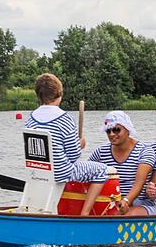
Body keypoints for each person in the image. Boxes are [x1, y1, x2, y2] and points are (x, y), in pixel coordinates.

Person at [25, 73, 108, 216]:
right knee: (101, 170)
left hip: (37, 171)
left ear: (39, 95)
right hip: (61, 172)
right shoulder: (64, 118)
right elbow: (73, 155)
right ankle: (85, 214)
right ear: (59, 93)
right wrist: (80, 144)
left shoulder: (31, 118)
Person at [89, 111, 156, 214]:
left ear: (127, 130)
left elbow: (139, 183)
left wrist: (126, 201)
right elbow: (85, 175)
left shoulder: (145, 151)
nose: (112, 134)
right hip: (110, 201)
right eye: (108, 131)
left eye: (116, 130)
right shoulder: (100, 152)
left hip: (138, 202)